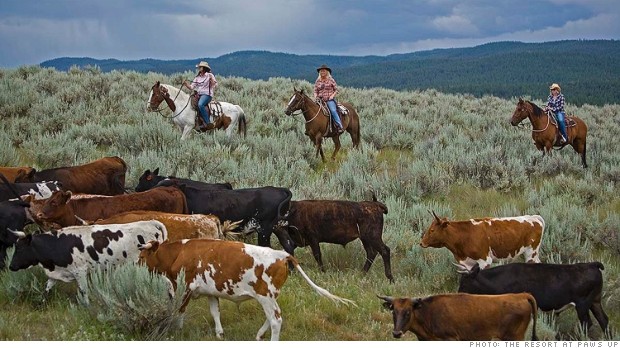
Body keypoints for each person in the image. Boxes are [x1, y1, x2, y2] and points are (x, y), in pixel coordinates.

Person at [183, 61, 218, 130]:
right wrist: (186, 84)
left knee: (200, 104)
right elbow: (191, 87)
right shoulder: (197, 77)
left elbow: (216, 85)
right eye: (199, 67)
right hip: (199, 95)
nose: (199, 68)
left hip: (207, 95)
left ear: (204, 68)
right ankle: (197, 122)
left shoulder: (209, 75)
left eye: (200, 67)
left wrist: (212, 82)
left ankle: (208, 123)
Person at [314, 64, 344, 134]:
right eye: (321, 71)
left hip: (329, 100)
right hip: (320, 100)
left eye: (324, 71)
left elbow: (336, 89)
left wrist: (332, 96)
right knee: (312, 110)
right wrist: (316, 97)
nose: (322, 72)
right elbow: (315, 91)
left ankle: (339, 126)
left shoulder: (331, 80)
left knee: (333, 110)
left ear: (327, 72)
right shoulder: (318, 81)